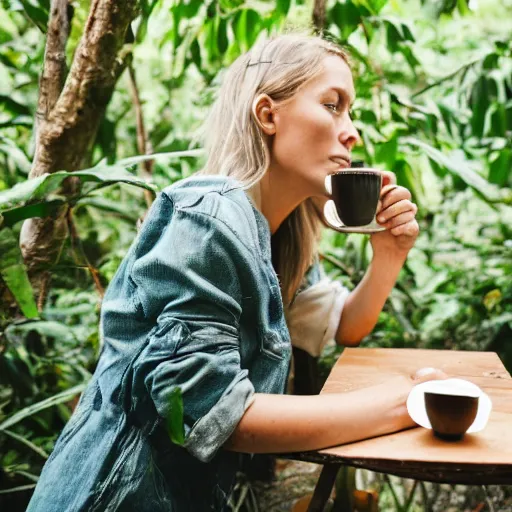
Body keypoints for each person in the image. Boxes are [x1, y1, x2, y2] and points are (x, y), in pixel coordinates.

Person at [27, 33, 446, 511]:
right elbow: (216, 415)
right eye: (333, 105)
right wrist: (403, 402)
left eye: (350, 112)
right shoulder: (207, 219)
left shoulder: (273, 238)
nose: (352, 132)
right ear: (267, 115)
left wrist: (389, 254)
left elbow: (346, 326)